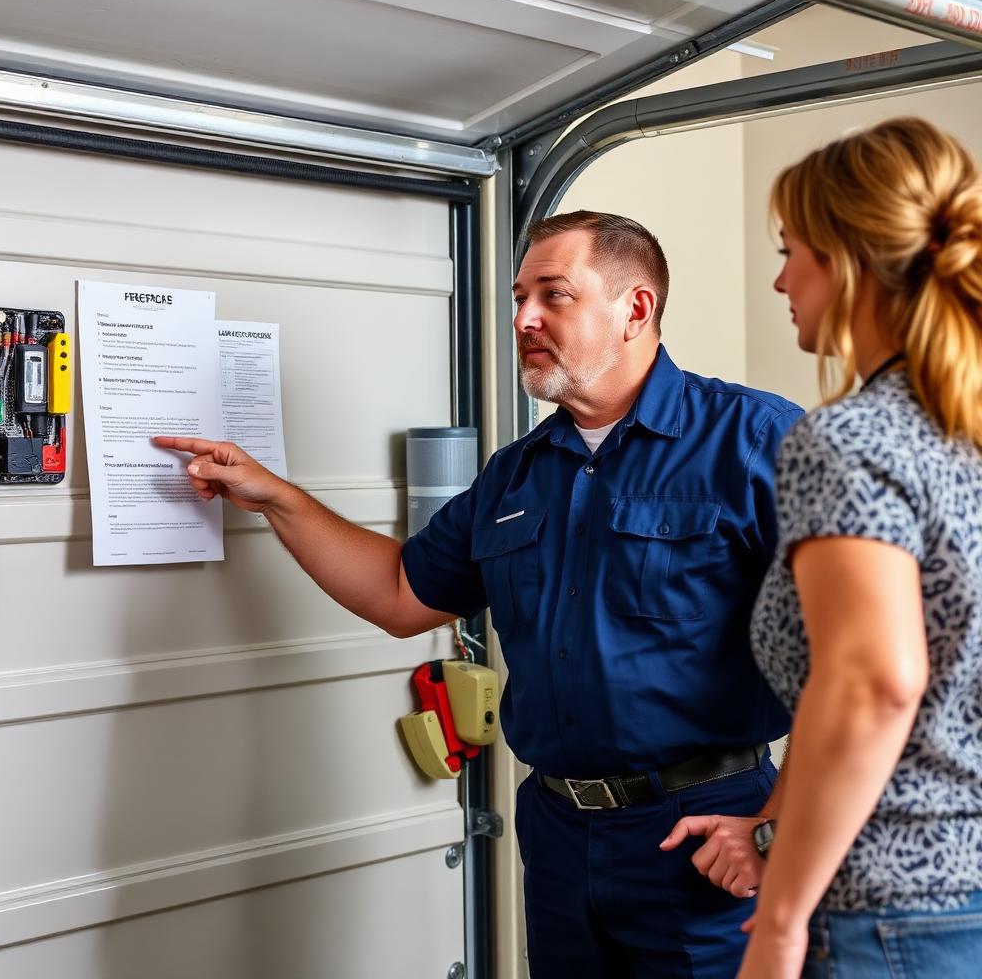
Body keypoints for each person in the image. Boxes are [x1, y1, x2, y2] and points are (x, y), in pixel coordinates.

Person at [155, 210, 802, 977]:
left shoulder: (756, 443)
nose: (525, 318)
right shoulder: (516, 474)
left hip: (706, 832)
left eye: (554, 295)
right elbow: (401, 592)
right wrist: (277, 499)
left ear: (636, 309)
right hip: (561, 834)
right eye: (519, 297)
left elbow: (861, 664)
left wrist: (773, 828)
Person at [737, 117, 982, 978]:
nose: (779, 279)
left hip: (893, 913)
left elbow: (875, 683)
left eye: (789, 250)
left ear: (844, 261)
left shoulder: (848, 440)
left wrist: (779, 919)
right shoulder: (966, 434)